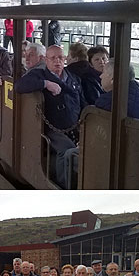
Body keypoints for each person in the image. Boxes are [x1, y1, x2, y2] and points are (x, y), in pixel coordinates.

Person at [15, 44, 85, 189]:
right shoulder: (39, 75)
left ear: (65, 59)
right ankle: (61, 185)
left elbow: (83, 102)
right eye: (52, 58)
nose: (57, 61)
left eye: (60, 57)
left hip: (73, 126)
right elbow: (19, 86)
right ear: (45, 60)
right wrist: (45, 84)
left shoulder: (74, 78)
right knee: (66, 150)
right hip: (52, 128)